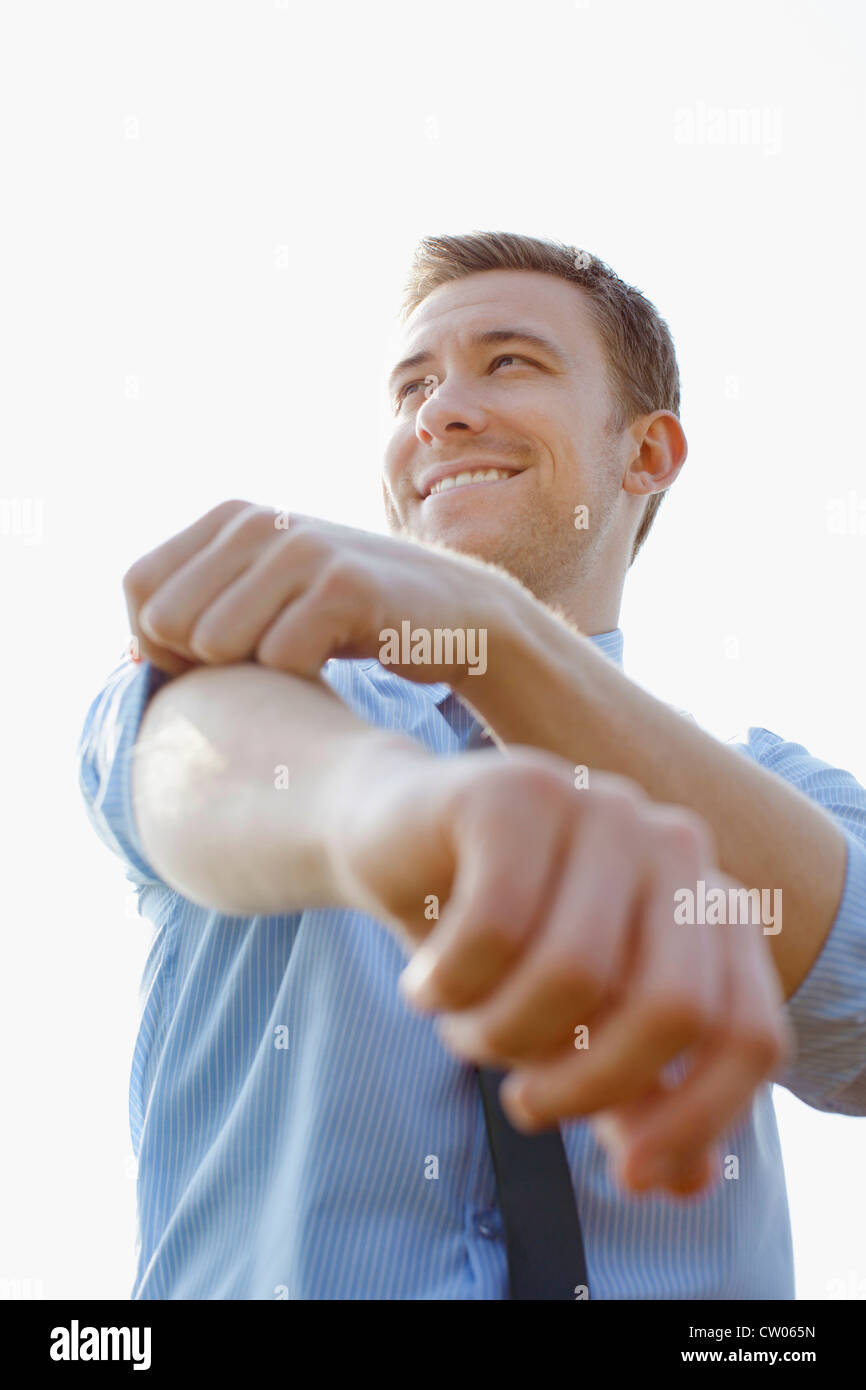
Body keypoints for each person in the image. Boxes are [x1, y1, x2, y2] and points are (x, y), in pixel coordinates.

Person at [78, 231, 866, 1300]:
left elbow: (853, 1013)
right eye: (411, 385)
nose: (436, 412)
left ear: (644, 454)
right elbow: (177, 758)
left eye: (508, 362)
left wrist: (496, 633)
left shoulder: (776, 793)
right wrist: (399, 809)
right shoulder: (267, 675)